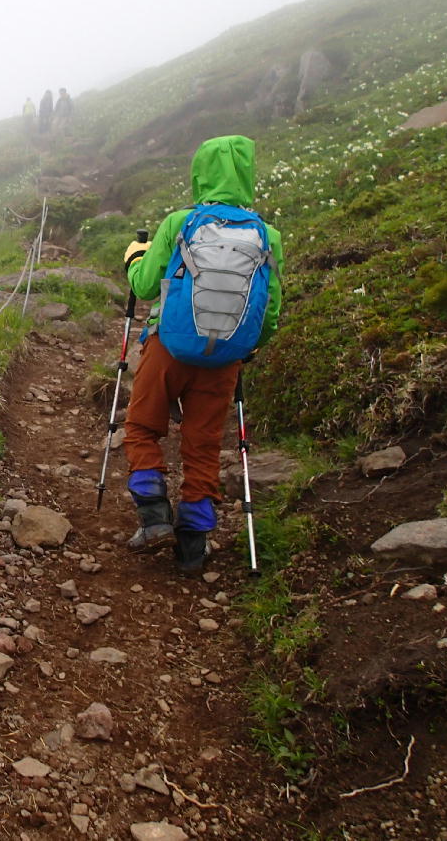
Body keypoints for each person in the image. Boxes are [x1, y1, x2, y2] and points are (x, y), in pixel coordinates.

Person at [120, 135, 284, 573]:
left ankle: (154, 517)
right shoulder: (268, 235)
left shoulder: (179, 223)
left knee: (140, 427)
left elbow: (145, 286)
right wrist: (243, 349)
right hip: (225, 359)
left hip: (168, 347)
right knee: (203, 447)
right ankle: (192, 548)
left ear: (199, 173)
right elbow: (270, 311)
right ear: (248, 175)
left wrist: (134, 258)